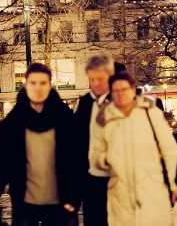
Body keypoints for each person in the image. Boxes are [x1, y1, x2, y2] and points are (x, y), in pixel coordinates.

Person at [0, 62, 78, 226]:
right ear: (25, 84)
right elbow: (2, 161)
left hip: (60, 202)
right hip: (24, 202)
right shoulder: (13, 121)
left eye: (43, 83)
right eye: (33, 83)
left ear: (50, 85)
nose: (38, 88)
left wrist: (74, 197)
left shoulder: (65, 119)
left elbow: (76, 160)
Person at [94, 71, 177, 226]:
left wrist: (174, 185)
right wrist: (106, 160)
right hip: (120, 196)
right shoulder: (105, 118)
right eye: (116, 91)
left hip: (152, 190)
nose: (120, 94)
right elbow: (96, 155)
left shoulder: (150, 113)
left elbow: (170, 150)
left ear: (133, 90)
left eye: (124, 89)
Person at [74, 54, 114, 226]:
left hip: (115, 177)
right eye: (92, 79)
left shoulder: (120, 101)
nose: (96, 84)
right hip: (89, 178)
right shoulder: (84, 103)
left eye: (100, 79)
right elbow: (76, 141)